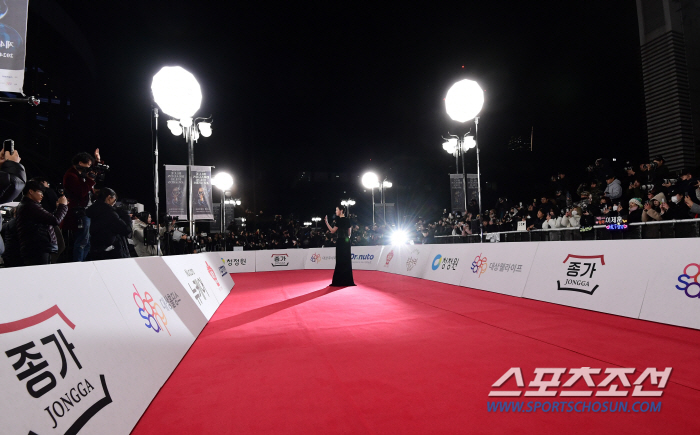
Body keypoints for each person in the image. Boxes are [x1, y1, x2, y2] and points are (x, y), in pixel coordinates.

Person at [16, 180, 69, 265]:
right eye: (40, 192)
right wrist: (63, 206)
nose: (42, 195)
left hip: (36, 247)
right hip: (38, 247)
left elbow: (48, 218)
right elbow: (55, 220)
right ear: (31, 191)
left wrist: (58, 208)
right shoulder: (30, 206)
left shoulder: (29, 205)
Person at [63, 150, 99, 261]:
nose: (89, 168)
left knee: (87, 242)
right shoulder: (71, 175)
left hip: (86, 211)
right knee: (82, 241)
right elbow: (80, 192)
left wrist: (97, 160)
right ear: (80, 163)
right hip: (79, 212)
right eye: (87, 165)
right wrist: (90, 180)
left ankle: (82, 264)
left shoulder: (80, 174)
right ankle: (78, 265)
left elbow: (95, 170)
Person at [85, 187, 132, 260]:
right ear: (109, 197)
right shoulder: (108, 213)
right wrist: (126, 215)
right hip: (110, 254)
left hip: (95, 251)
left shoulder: (92, 210)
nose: (115, 203)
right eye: (114, 200)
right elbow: (126, 230)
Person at [325, 205, 355, 287]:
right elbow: (349, 234)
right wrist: (346, 238)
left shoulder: (338, 220)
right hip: (347, 242)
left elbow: (332, 231)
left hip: (340, 242)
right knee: (347, 260)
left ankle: (339, 281)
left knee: (339, 261)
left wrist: (327, 223)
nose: (336, 211)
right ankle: (348, 280)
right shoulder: (348, 220)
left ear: (341, 210)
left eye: (337, 210)